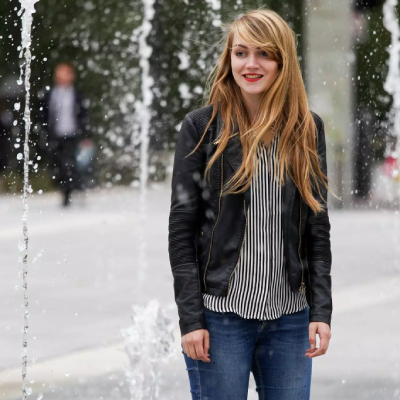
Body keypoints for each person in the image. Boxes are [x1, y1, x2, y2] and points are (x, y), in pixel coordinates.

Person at [168, 9, 337, 400]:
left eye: (264, 54)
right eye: (241, 52)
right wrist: (191, 320)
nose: (251, 64)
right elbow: (182, 231)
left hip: (290, 317)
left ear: (282, 62)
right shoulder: (202, 127)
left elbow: (317, 229)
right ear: (229, 58)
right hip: (219, 316)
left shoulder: (306, 129)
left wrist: (320, 312)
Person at [42, 62, 92, 207]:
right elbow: (44, 115)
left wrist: (86, 135)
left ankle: (72, 190)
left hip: (72, 134)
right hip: (56, 135)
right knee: (58, 164)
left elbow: (84, 116)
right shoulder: (50, 94)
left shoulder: (77, 94)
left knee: (71, 164)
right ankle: (66, 190)